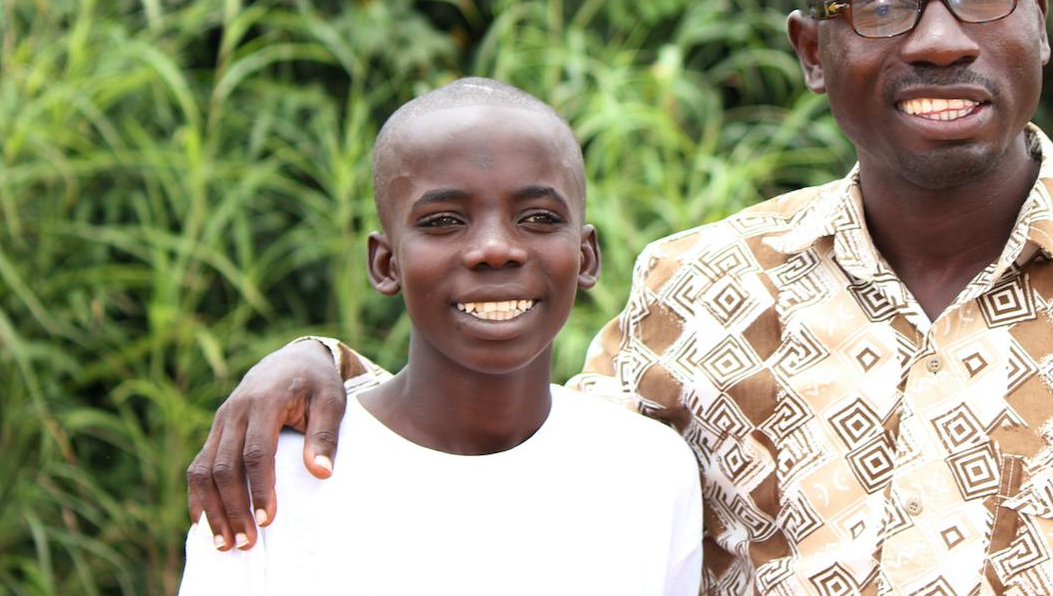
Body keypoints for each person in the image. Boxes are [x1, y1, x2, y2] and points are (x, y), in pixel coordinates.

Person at [187, 0, 1053, 595]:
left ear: (1035, 18)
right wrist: (320, 366)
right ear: (809, 50)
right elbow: (520, 444)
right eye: (877, 2)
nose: (936, 37)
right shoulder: (701, 290)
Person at [178, 80, 703, 594]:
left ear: (585, 256)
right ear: (386, 263)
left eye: (539, 218)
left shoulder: (647, 472)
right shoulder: (274, 478)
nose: (496, 248)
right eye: (444, 221)